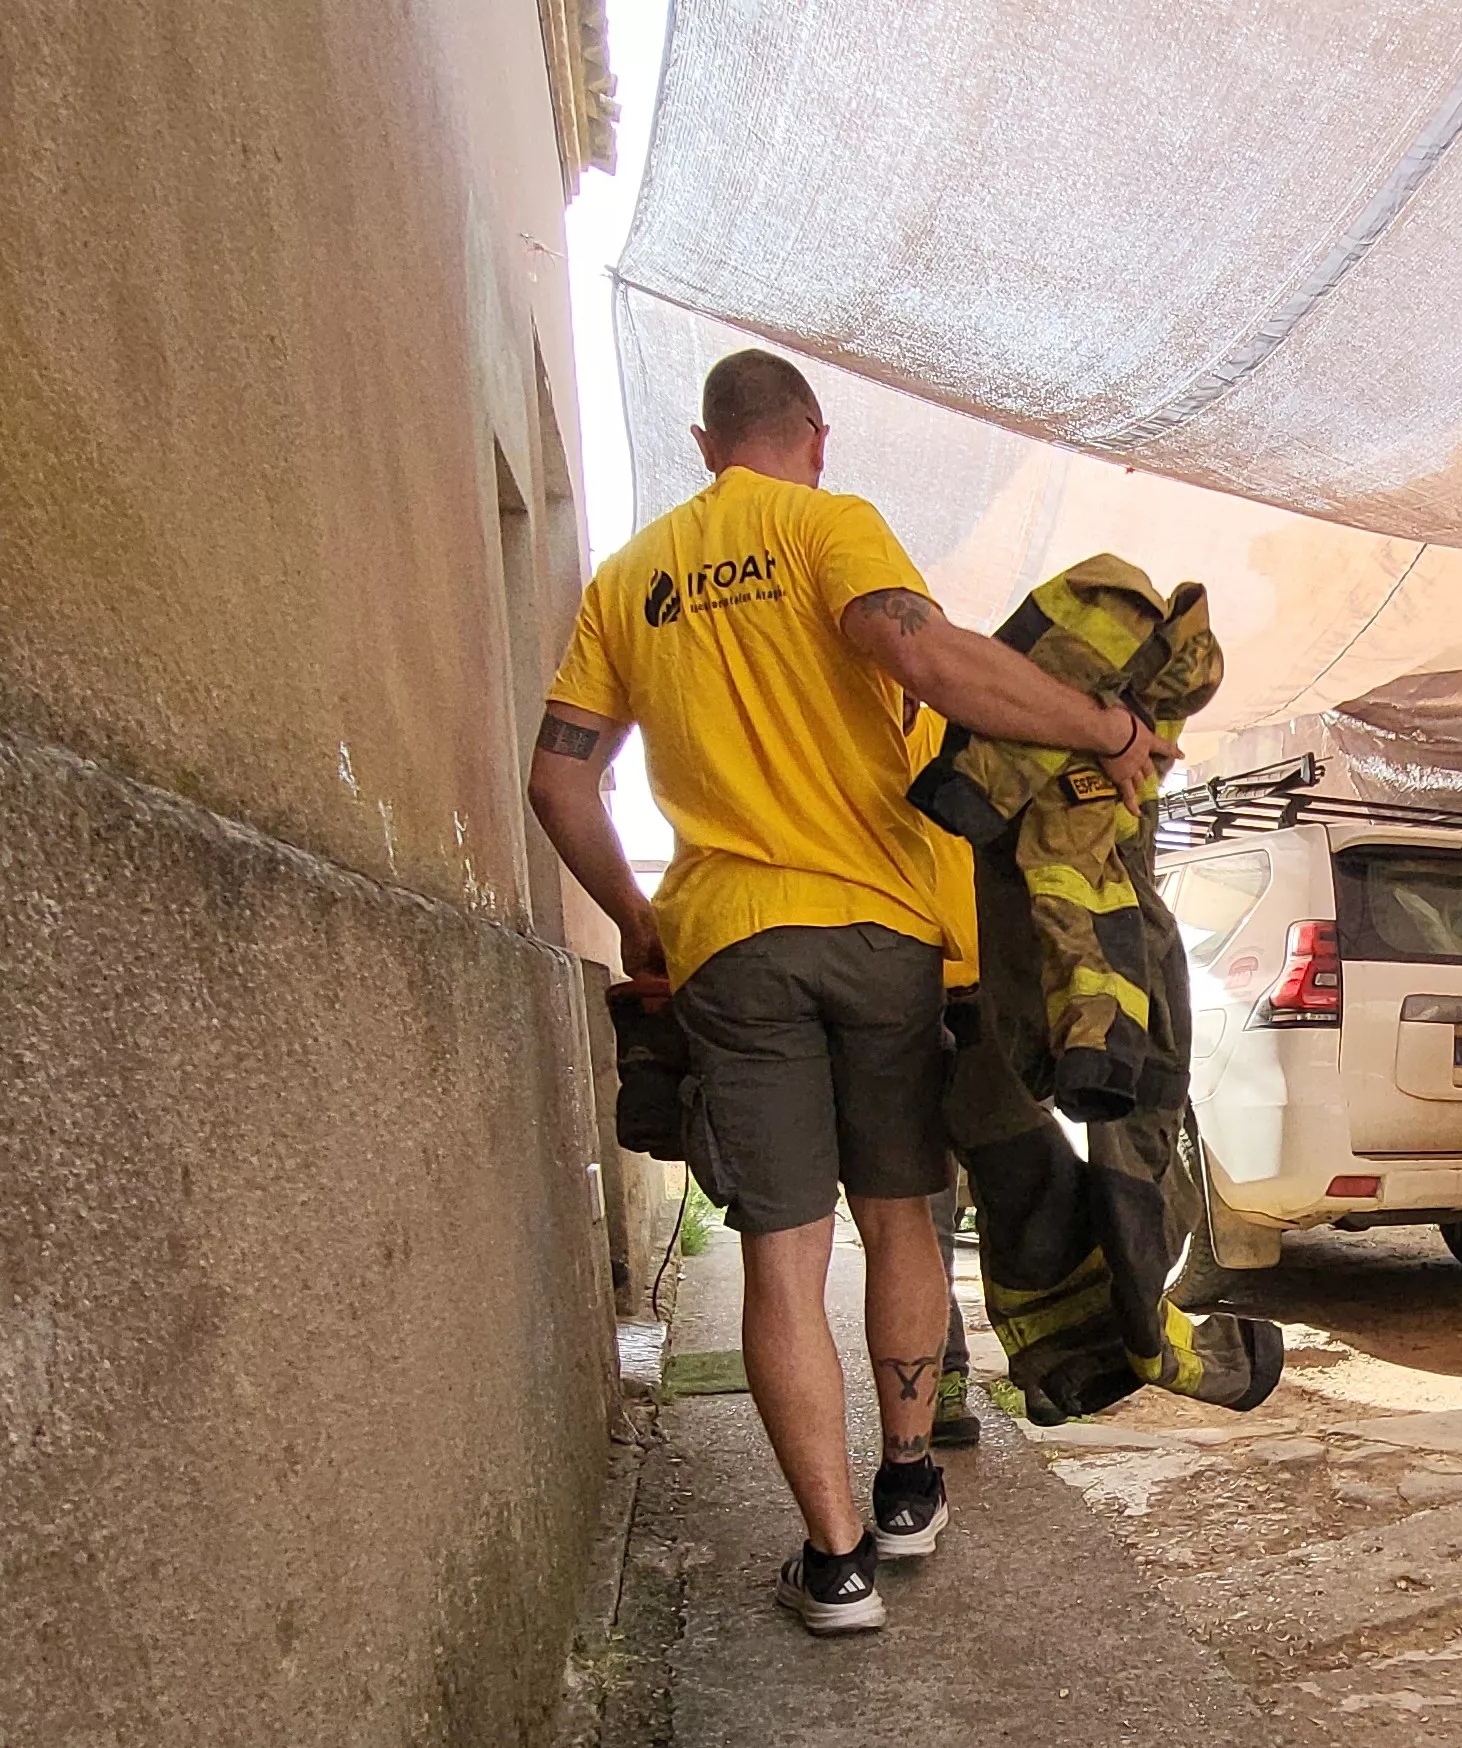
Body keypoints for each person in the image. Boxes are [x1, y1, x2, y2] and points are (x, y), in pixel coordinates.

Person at [527, 349, 1175, 1634]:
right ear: (814, 439)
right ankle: (908, 1479)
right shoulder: (830, 526)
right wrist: (1104, 731)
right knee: (899, 1218)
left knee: (782, 1248)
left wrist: (642, 920)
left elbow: (557, 780)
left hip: (728, 945)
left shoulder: (624, 580)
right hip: (880, 932)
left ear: (705, 445)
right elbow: (924, 658)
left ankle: (831, 1565)